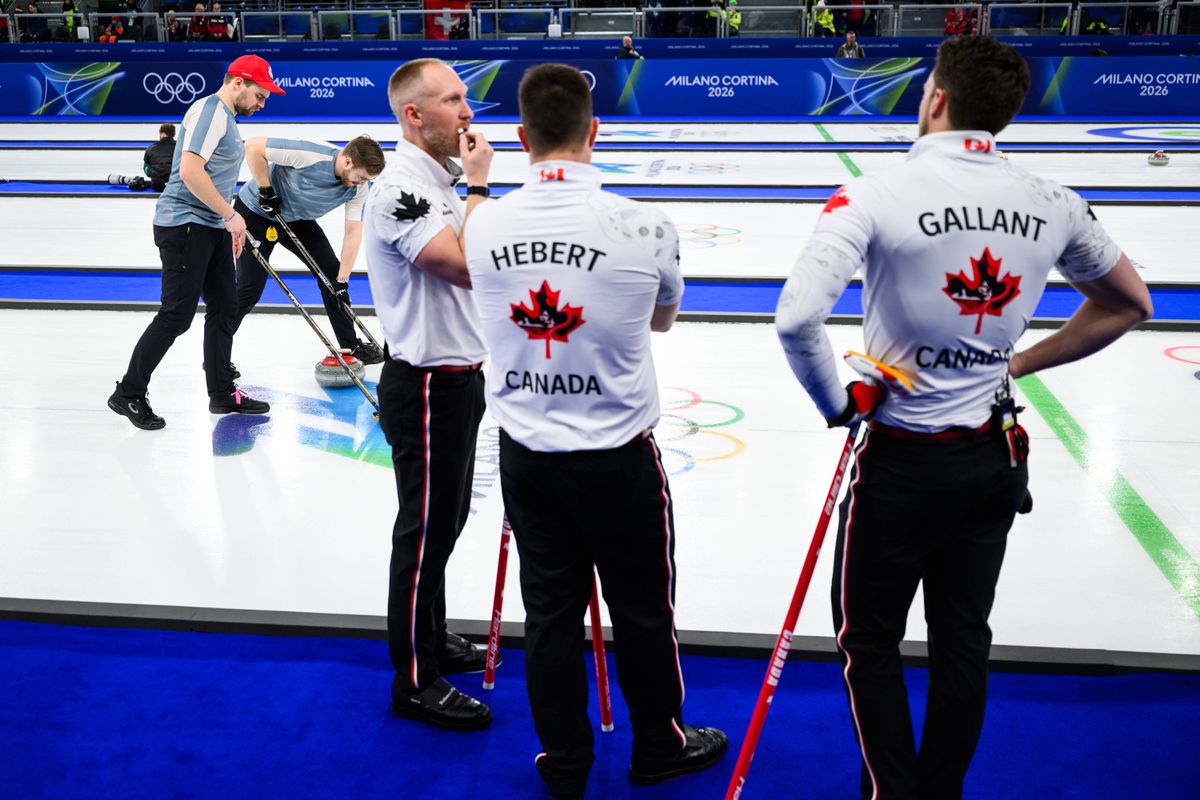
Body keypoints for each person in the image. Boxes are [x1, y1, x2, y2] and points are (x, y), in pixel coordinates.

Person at [774, 36, 1152, 800]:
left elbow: (795, 321)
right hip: (992, 458)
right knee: (962, 643)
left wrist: (838, 406)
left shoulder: (872, 193)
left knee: (869, 641)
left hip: (901, 464)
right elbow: (1131, 304)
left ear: (936, 98)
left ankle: (893, 793)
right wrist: (1013, 364)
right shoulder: (1053, 202)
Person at [463, 63, 728, 800]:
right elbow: (662, 320)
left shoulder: (481, 225)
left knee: (549, 616)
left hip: (527, 456)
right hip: (618, 457)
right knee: (643, 610)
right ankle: (658, 748)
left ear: (521, 137)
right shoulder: (646, 224)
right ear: (594, 131)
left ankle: (565, 762)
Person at [362, 58, 498, 731]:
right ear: (414, 115)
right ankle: (414, 681)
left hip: (458, 380)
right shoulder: (398, 191)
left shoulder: (435, 181)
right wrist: (480, 186)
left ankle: (433, 636)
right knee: (422, 533)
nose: (467, 112)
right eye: (452, 101)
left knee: (443, 523)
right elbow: (466, 267)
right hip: (423, 386)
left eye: (465, 98)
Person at [108, 55, 284, 431]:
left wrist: (227, 222)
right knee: (177, 314)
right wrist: (231, 215)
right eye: (260, 93)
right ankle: (129, 392)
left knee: (225, 308)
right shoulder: (212, 111)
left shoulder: (226, 117)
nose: (263, 102)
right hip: (184, 224)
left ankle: (221, 392)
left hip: (210, 225)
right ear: (238, 82)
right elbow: (189, 171)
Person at [229, 134, 387, 368]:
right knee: (250, 287)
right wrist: (265, 189)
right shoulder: (311, 154)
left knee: (333, 279)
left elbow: (353, 232)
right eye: (360, 177)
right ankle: (218, 355)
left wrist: (343, 279)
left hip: (296, 217)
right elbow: (252, 147)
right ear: (347, 162)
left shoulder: (359, 189)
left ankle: (350, 345)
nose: (361, 183)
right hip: (256, 212)